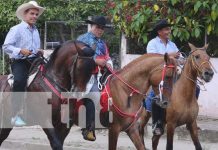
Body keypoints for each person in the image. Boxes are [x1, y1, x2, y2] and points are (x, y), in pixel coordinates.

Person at [144, 19, 200, 135]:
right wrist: (171, 55)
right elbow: (152, 58)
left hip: (173, 75)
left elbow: (179, 60)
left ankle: (190, 117)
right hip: (159, 75)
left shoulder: (172, 44)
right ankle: (158, 123)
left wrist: (184, 60)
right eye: (166, 29)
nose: (169, 31)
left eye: (169, 29)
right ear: (159, 32)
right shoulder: (152, 43)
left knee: (196, 87)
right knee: (157, 95)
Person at [2, 1, 45, 126]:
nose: (35, 16)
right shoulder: (16, 29)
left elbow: (35, 48)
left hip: (34, 60)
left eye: (36, 14)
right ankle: (15, 115)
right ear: (25, 14)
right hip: (19, 61)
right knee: (20, 80)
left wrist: (39, 51)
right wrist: (20, 50)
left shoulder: (36, 30)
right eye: (32, 13)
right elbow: (6, 47)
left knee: (49, 76)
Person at [77, 16, 113, 141]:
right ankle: (88, 128)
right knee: (94, 95)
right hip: (86, 74)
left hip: (103, 74)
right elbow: (78, 57)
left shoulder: (102, 43)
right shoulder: (82, 39)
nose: (100, 30)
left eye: (102, 28)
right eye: (98, 27)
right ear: (92, 26)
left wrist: (108, 63)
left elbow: (107, 57)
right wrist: (96, 61)